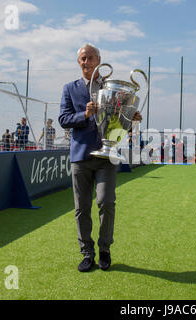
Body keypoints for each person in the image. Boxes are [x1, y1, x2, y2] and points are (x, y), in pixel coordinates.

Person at [59, 43, 142, 273]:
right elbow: (64, 119)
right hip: (81, 156)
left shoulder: (112, 88)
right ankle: (87, 253)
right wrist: (84, 114)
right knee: (81, 208)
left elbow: (119, 118)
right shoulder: (70, 89)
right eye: (83, 59)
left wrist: (130, 115)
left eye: (91, 58)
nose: (86, 62)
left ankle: (105, 249)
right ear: (79, 63)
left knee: (106, 202)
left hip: (106, 157)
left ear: (99, 60)